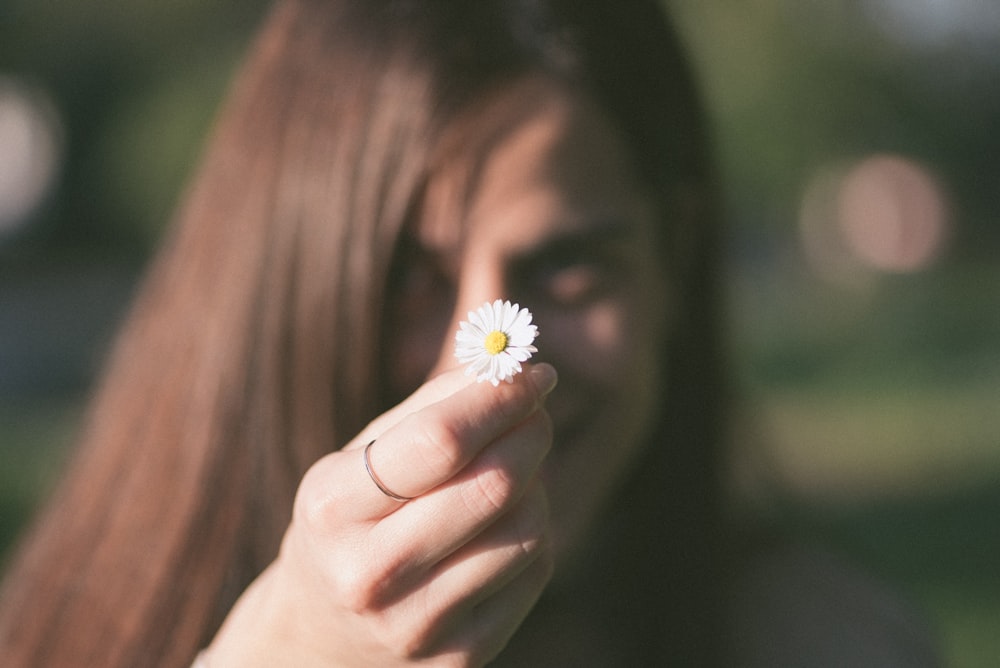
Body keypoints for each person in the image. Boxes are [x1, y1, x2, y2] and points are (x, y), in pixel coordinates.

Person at [0, 0, 941, 665]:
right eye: (410, 280)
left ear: (674, 262)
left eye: (569, 269)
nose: (484, 358)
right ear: (282, 293)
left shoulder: (831, 642)